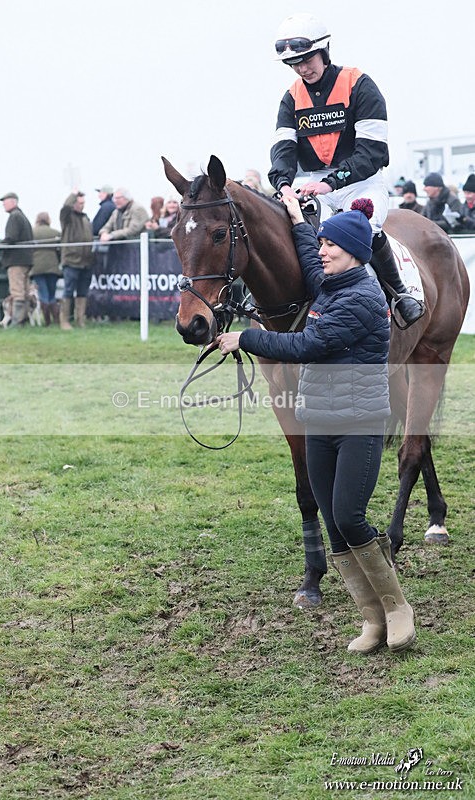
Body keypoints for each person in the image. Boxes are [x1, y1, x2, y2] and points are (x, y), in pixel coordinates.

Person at [218, 196, 416, 655]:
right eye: (323, 244)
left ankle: (397, 608)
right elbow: (309, 259)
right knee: (332, 523)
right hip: (319, 422)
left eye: (331, 245)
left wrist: (244, 337)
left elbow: (308, 344)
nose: (322, 251)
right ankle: (372, 619)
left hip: (358, 425)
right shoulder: (330, 284)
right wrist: (296, 219)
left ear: (355, 253)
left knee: (349, 516)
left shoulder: (363, 298)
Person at [268, 12, 424, 327]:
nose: (302, 69)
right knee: (291, 231)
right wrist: (283, 184)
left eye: (307, 59)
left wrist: (330, 183)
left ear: (324, 51)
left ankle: (398, 293)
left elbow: (371, 153)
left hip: (362, 183)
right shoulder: (291, 98)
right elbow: (284, 149)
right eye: (294, 64)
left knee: (362, 227)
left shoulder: (360, 85)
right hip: (315, 184)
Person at [59, 190, 94, 329]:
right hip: (71, 260)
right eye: (79, 203)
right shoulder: (67, 218)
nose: (82, 205)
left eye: (83, 203)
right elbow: (65, 208)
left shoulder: (86, 218)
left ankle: (80, 320)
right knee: (68, 291)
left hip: (86, 261)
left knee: (83, 291)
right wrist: (72, 194)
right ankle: (64, 321)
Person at [0, 191, 34, 326]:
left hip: (16, 261)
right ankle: (24, 319)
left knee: (17, 291)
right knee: (25, 291)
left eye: (5, 201)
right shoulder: (23, 216)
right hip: (26, 259)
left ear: (13, 202)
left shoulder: (14, 217)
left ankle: (17, 321)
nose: (3, 204)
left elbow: (11, 238)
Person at [31, 212, 61, 325]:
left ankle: (47, 321)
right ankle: (56, 319)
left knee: (43, 293)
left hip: (37, 267)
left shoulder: (32, 233)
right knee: (52, 294)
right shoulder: (55, 233)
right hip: (52, 266)